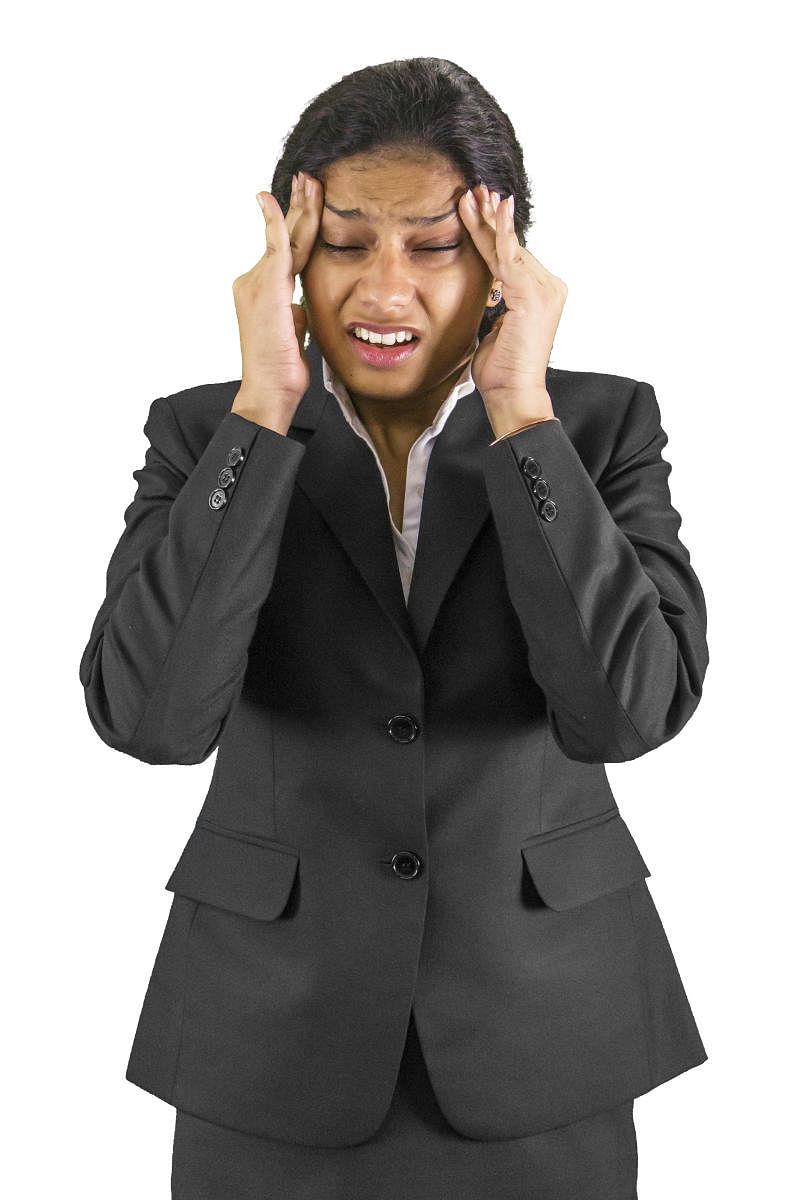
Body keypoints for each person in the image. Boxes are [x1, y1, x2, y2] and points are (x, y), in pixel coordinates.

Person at [79, 57, 709, 1200]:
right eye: (345, 244)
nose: (383, 291)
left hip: (539, 1033)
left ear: (502, 258)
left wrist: (524, 416)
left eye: (432, 247)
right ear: (286, 253)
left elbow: (625, 710)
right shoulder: (205, 436)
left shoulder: (597, 426)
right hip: (270, 1039)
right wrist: (262, 410)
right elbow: (154, 718)